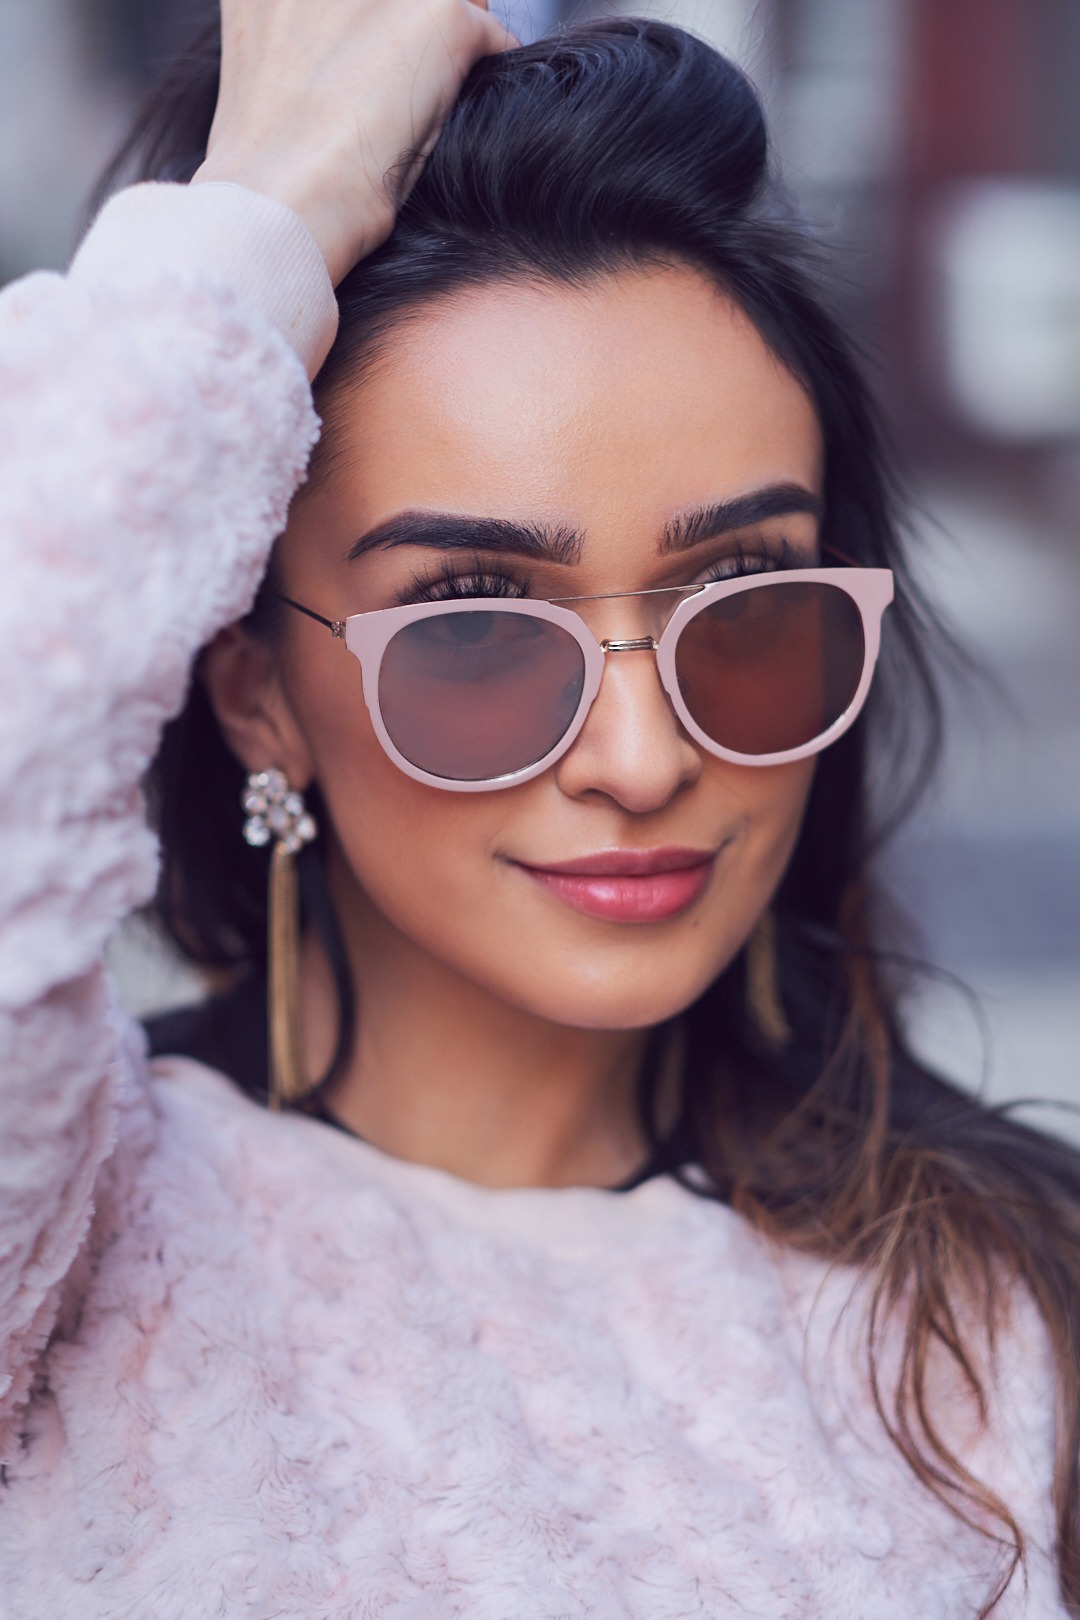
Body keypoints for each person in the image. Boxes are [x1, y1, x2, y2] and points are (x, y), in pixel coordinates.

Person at [1, 2, 1078, 1615]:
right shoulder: (63, 1243)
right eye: (481, 634)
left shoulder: (998, 1309)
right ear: (250, 689)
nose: (643, 758)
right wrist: (265, 217)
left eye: (748, 607)